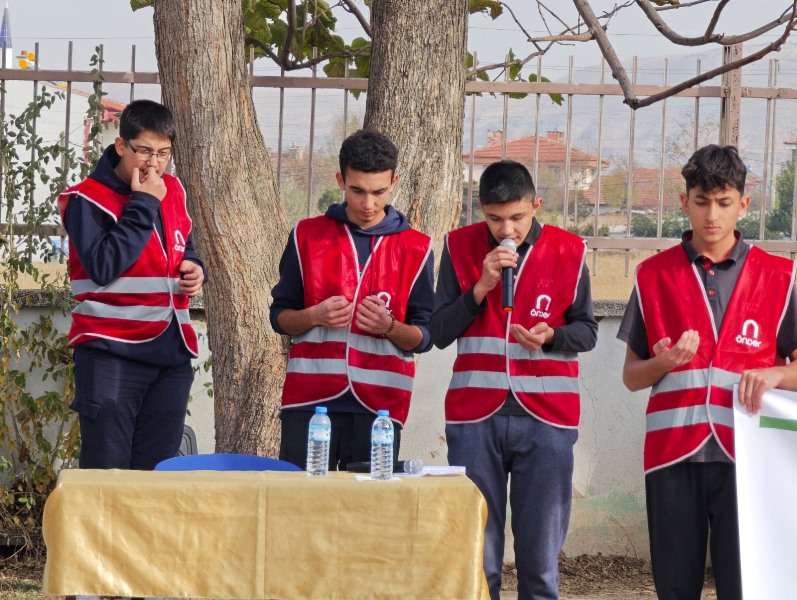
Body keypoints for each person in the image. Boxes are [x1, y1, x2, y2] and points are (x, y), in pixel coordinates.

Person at [617, 144, 797, 600]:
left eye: (723, 202)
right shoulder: (652, 275)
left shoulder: (781, 277)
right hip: (673, 458)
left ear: (744, 203)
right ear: (685, 203)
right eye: (701, 202)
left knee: (747, 587)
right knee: (676, 588)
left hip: (752, 458)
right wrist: (664, 363)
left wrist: (777, 375)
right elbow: (632, 377)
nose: (712, 215)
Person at [431, 159, 598, 600]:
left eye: (518, 217)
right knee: (478, 558)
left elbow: (588, 332)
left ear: (536, 205)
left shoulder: (570, 250)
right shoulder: (456, 247)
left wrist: (552, 336)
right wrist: (480, 288)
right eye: (494, 218)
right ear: (480, 209)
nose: (508, 229)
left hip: (548, 420)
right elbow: (439, 333)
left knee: (539, 564)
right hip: (474, 419)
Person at [270, 129, 434, 470]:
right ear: (340, 181)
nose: (368, 204)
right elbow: (279, 317)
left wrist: (389, 327)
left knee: (369, 516)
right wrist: (313, 316)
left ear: (394, 182)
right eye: (357, 191)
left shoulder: (417, 247)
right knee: (303, 510)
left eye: (379, 192)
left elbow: (424, 337)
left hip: (381, 409)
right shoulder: (307, 236)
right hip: (309, 403)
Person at [58, 99, 206, 470]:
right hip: (111, 353)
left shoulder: (173, 189)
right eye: (143, 151)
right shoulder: (85, 199)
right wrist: (141, 204)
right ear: (121, 145)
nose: (153, 164)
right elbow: (103, 266)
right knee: (108, 478)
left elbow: (181, 244)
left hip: (170, 355)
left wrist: (194, 268)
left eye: (163, 153)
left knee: (156, 476)